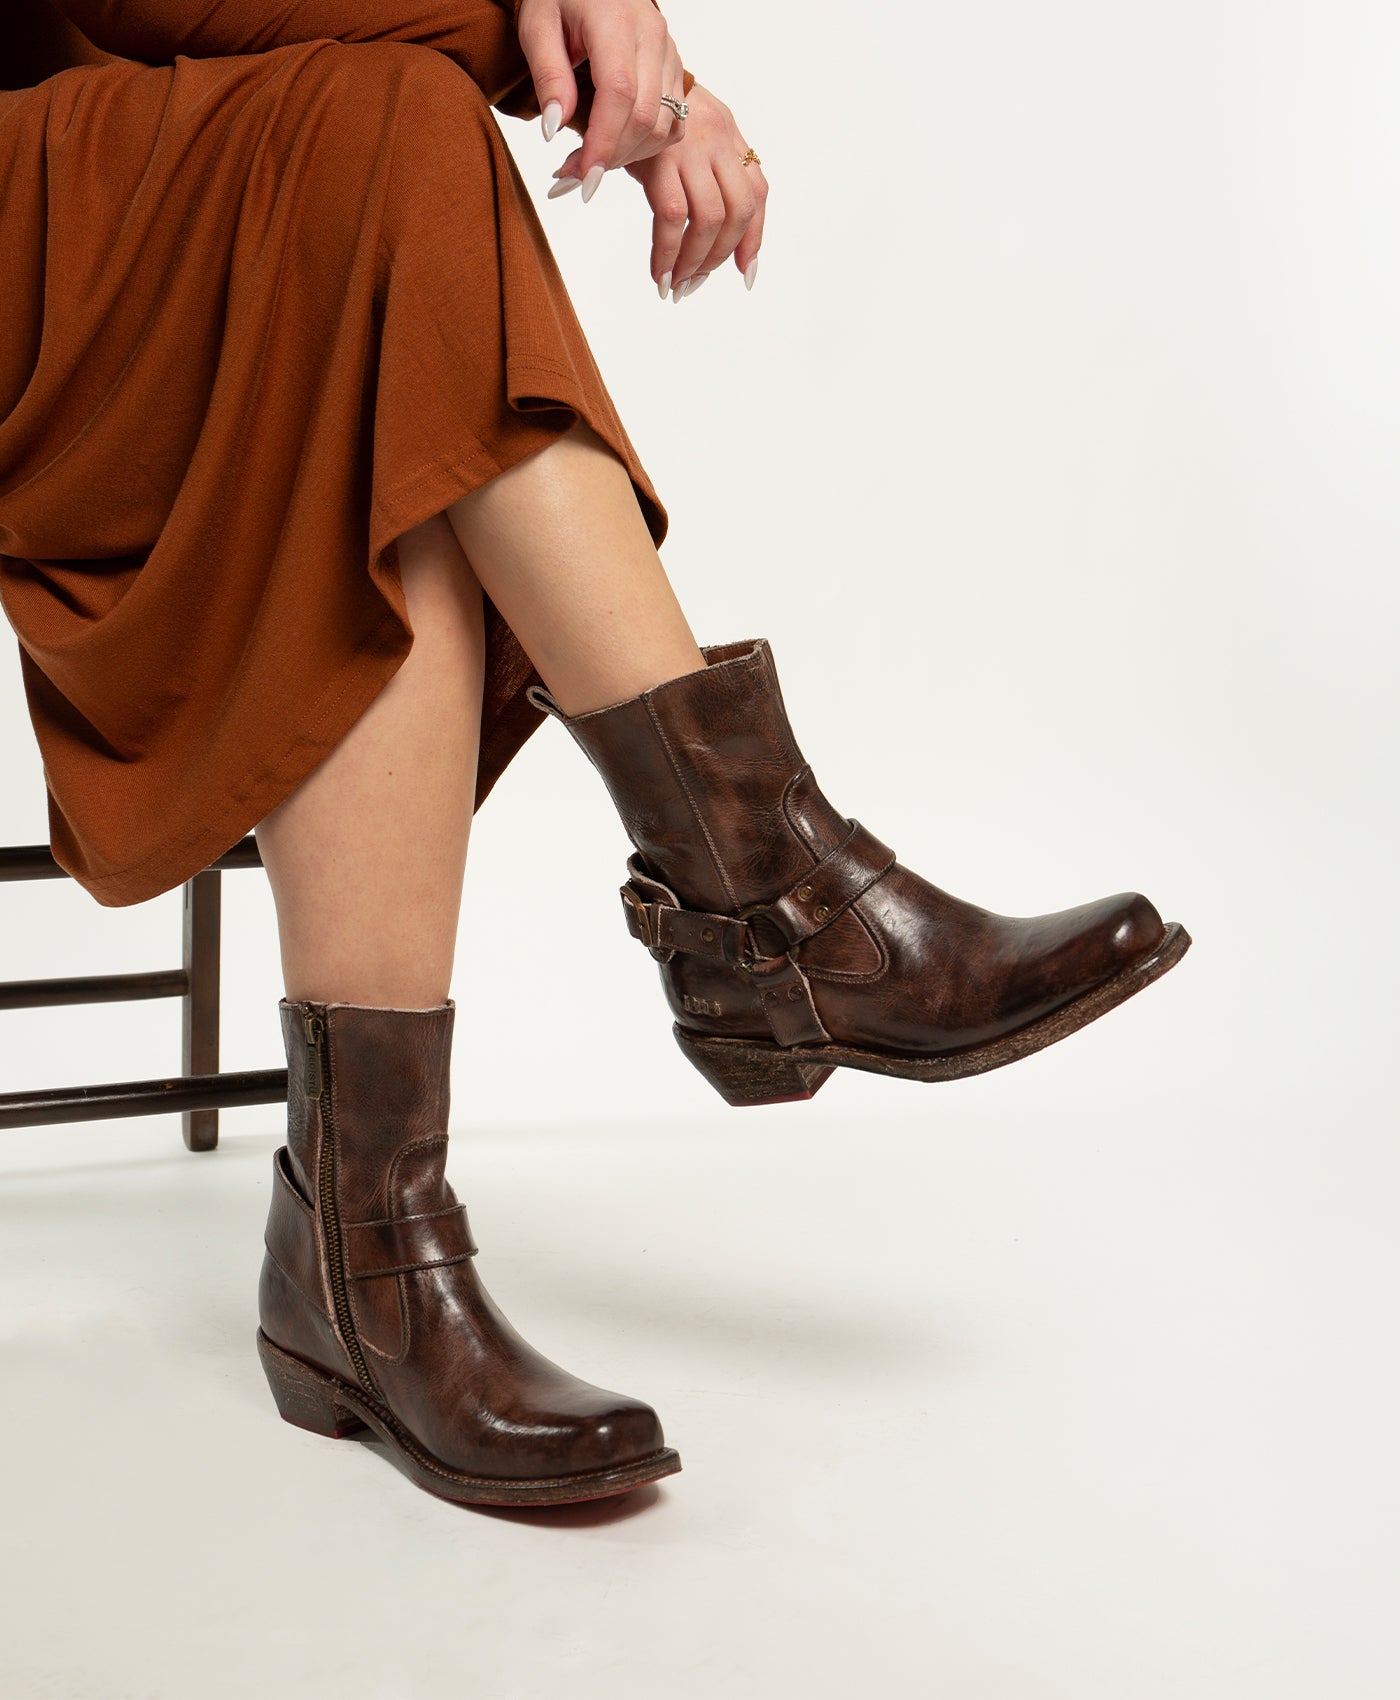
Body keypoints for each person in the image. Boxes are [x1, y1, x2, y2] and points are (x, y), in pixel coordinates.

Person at [0, 0, 1190, 1509]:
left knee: (384, 146)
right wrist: (594, 55)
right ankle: (770, 906)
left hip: (137, 178)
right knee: (382, 135)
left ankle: (369, 1246)